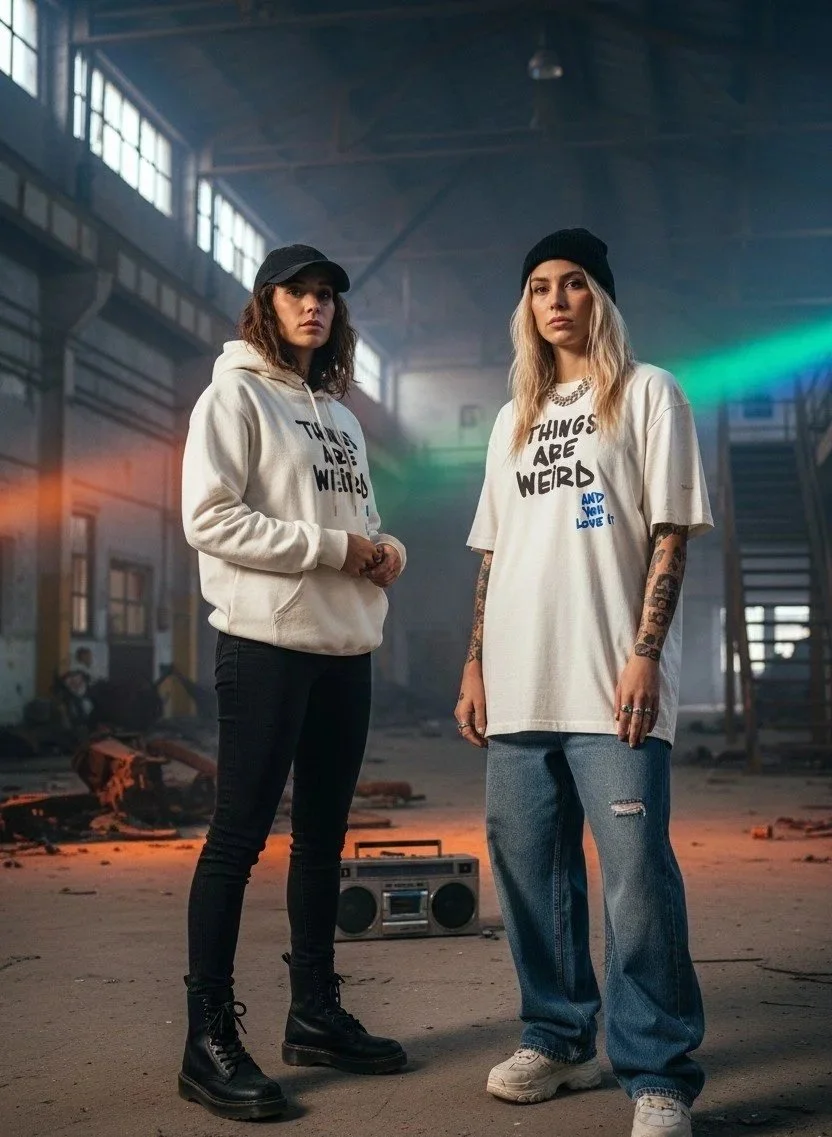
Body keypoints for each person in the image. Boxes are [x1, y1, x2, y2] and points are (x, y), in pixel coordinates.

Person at [456, 229, 712, 1137]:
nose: (555, 299)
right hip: (520, 682)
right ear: (525, 307)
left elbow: (671, 532)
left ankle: (657, 1073)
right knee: (530, 872)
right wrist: (477, 660)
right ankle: (558, 1035)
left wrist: (646, 651)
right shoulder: (511, 419)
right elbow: (492, 551)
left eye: (572, 284)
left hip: (614, 685)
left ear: (601, 297)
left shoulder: (649, 394)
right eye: (538, 286)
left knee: (637, 878)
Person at [179, 244, 407, 1121]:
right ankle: (206, 1040)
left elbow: (364, 524)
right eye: (297, 292)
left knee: (322, 838)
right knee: (237, 838)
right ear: (266, 303)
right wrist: (330, 549)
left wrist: (384, 552)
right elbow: (211, 518)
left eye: (326, 296)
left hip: (347, 646)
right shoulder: (231, 395)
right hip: (267, 642)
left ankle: (313, 1012)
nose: (314, 305)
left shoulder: (341, 420)